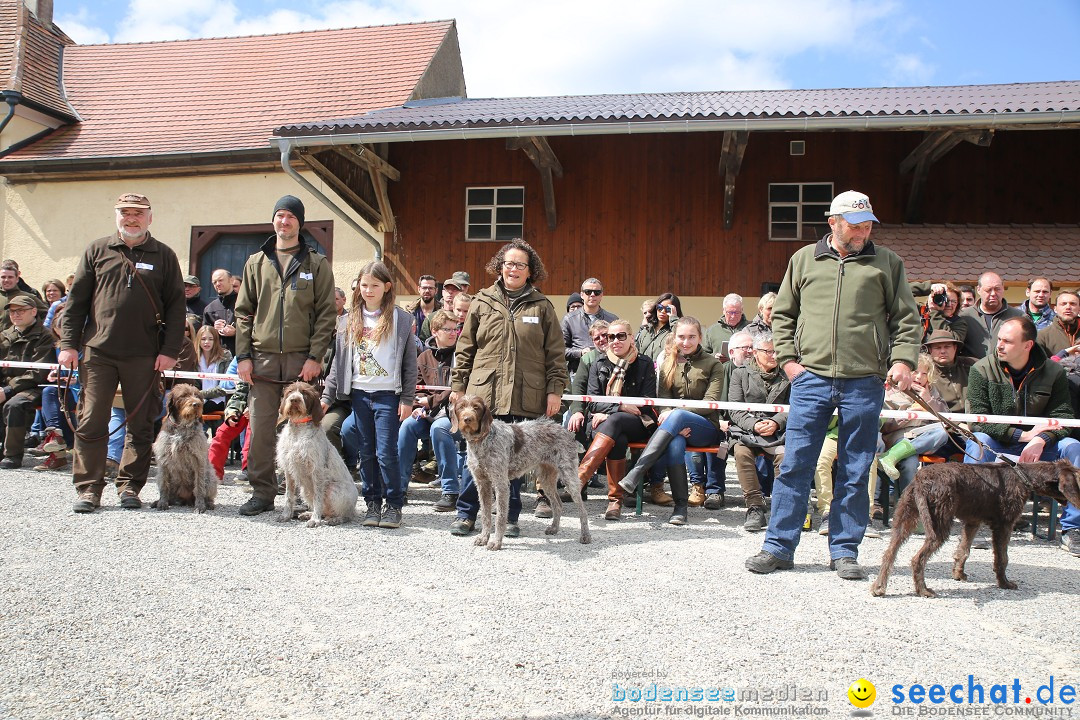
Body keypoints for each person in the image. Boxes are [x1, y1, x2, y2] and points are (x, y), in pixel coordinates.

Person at [745, 190, 921, 580]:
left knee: (857, 468)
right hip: (811, 379)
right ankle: (778, 547)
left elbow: (907, 319)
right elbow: (784, 315)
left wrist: (903, 360)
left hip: (864, 381)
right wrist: (789, 363)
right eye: (856, 225)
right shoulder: (803, 259)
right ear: (833, 223)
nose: (864, 231)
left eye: (868, 224)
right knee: (794, 464)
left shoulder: (887, 263)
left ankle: (844, 550)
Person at [60, 193, 186, 513]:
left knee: (141, 424)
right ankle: (89, 489)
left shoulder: (165, 255)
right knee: (91, 421)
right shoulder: (96, 250)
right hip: (97, 352)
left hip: (145, 355)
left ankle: (130, 486)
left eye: (138, 213)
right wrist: (68, 345)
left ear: (149, 218)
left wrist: (170, 351)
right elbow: (75, 304)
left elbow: (176, 309)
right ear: (116, 216)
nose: (132, 218)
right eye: (125, 213)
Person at [448, 239, 568, 536]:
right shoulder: (481, 301)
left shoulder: (542, 306)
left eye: (520, 265)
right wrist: (458, 386)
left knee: (511, 457)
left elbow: (555, 353)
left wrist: (555, 390)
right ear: (499, 267)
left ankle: (509, 518)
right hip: (484, 393)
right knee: (474, 457)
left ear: (530, 271)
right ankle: (467, 514)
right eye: (509, 263)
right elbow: (465, 348)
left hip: (524, 391)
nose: (513, 269)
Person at [234, 195, 336, 516]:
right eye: (280, 215)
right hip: (261, 360)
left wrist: (315, 356)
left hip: (300, 364)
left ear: (299, 223)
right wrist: (243, 356)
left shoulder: (316, 264)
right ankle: (263, 493)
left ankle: (309, 495)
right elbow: (243, 313)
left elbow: (325, 315)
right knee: (263, 430)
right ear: (273, 221)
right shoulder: (256, 262)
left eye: (291, 217)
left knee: (305, 432)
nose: (284, 222)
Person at [964, 316, 1080, 556]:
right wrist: (1022, 436)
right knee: (978, 443)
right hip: (999, 442)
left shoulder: (1054, 371)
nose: (999, 345)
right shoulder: (981, 369)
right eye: (999, 339)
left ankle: (1072, 529)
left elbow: (1064, 415)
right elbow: (976, 420)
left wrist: (1041, 439)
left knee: (1073, 447)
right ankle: (973, 524)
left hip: (1041, 445)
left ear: (1027, 345)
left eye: (1007, 341)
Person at [322, 261, 415, 529]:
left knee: (387, 452)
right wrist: (327, 397)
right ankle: (372, 504)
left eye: (375, 285)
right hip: (360, 395)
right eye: (364, 285)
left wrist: (407, 399)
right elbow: (339, 366)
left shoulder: (401, 319)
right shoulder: (346, 321)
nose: (369, 290)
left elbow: (410, 365)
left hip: (388, 396)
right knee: (367, 452)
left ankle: (393, 505)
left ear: (387, 287)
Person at [618, 316, 723, 524]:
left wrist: (677, 415)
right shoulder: (668, 364)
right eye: (681, 337)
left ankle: (637, 472)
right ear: (674, 338)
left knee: (678, 414)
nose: (686, 342)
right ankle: (680, 508)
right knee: (675, 444)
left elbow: (710, 402)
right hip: (675, 429)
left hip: (706, 428)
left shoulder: (713, 364)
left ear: (700, 338)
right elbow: (663, 401)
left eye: (691, 337)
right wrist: (674, 418)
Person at [574, 318, 658, 521]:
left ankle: (579, 478)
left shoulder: (645, 363)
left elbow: (646, 404)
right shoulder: (598, 363)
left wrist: (610, 410)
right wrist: (618, 406)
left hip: (637, 422)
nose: (615, 341)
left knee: (615, 421)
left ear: (631, 338)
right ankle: (615, 501)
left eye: (621, 336)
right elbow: (592, 402)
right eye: (611, 337)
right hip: (602, 423)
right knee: (617, 438)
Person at [726, 331, 791, 532]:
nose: (774, 355)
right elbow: (734, 408)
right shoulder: (739, 373)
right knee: (741, 452)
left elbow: (795, 405)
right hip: (748, 429)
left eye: (776, 351)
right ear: (754, 352)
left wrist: (776, 422)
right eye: (768, 351)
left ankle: (782, 509)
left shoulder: (788, 375)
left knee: (786, 456)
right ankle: (754, 507)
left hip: (779, 432)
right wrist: (753, 424)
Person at [399, 309, 458, 511]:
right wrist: (416, 406)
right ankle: (399, 487)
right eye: (447, 329)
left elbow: (456, 389)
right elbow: (416, 385)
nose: (453, 333)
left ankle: (450, 491)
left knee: (439, 429)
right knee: (407, 426)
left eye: (455, 329)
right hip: (428, 412)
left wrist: (429, 401)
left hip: (453, 414)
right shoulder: (424, 357)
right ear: (434, 331)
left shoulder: (462, 356)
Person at [0, 297, 57, 468]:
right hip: (8, 385)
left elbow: (38, 372)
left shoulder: (45, 336)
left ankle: (13, 455)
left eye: (20, 311)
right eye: (12, 311)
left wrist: (8, 389)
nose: (15, 315)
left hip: (36, 387)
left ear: (33, 311)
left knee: (14, 405)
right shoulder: (5, 335)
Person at [958, 272, 1022, 359]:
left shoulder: (1018, 317)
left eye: (997, 289)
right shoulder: (964, 317)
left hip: (1006, 371)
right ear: (978, 290)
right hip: (972, 370)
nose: (993, 294)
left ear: (1003, 288)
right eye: (988, 290)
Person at [561, 277, 617, 376]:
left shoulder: (612, 319)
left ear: (601, 295)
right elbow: (560, 350)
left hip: (607, 372)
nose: (592, 295)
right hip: (578, 372)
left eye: (597, 292)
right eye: (588, 292)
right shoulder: (569, 319)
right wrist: (580, 352)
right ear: (582, 295)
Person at [420, 271, 470, 341]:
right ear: (443, 292)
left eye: (454, 290)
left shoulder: (465, 318)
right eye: (447, 289)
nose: (450, 292)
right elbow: (423, 341)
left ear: (460, 293)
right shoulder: (432, 317)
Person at [194, 325, 233, 414]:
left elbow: (225, 386)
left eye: (210, 339)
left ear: (215, 341)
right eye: (203, 339)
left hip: (221, 398)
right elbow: (194, 384)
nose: (207, 342)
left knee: (199, 409)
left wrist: (201, 394)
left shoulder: (225, 356)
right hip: (200, 398)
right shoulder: (195, 358)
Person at [0, 262, 48, 330]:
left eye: (10, 277)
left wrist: (35, 331)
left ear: (17, 279)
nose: (6, 280)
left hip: (21, 339)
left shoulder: (28, 297)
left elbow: (47, 315)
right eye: (3, 277)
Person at [635, 293, 681, 362]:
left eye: (668, 309)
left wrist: (674, 318)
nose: (662, 311)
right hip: (644, 371)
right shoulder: (646, 330)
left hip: (664, 371)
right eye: (660, 307)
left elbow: (680, 337)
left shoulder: (673, 330)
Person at [201, 268, 237, 354]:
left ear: (231, 280)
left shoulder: (245, 303)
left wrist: (236, 332)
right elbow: (203, 335)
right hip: (218, 356)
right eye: (214, 282)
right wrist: (213, 330)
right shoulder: (210, 309)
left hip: (242, 355)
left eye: (220, 280)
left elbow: (256, 329)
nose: (218, 284)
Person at [704, 293, 749, 358]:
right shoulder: (712, 331)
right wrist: (714, 356)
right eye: (730, 312)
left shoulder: (750, 329)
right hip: (720, 367)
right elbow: (703, 354)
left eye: (737, 312)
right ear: (723, 311)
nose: (733, 316)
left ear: (742, 311)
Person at [1036, 290, 1079, 359]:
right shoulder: (1042, 336)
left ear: (1079, 308)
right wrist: (1059, 357)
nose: (1068, 307)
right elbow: (1038, 367)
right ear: (1055, 309)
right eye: (1063, 304)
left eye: (1073, 304)